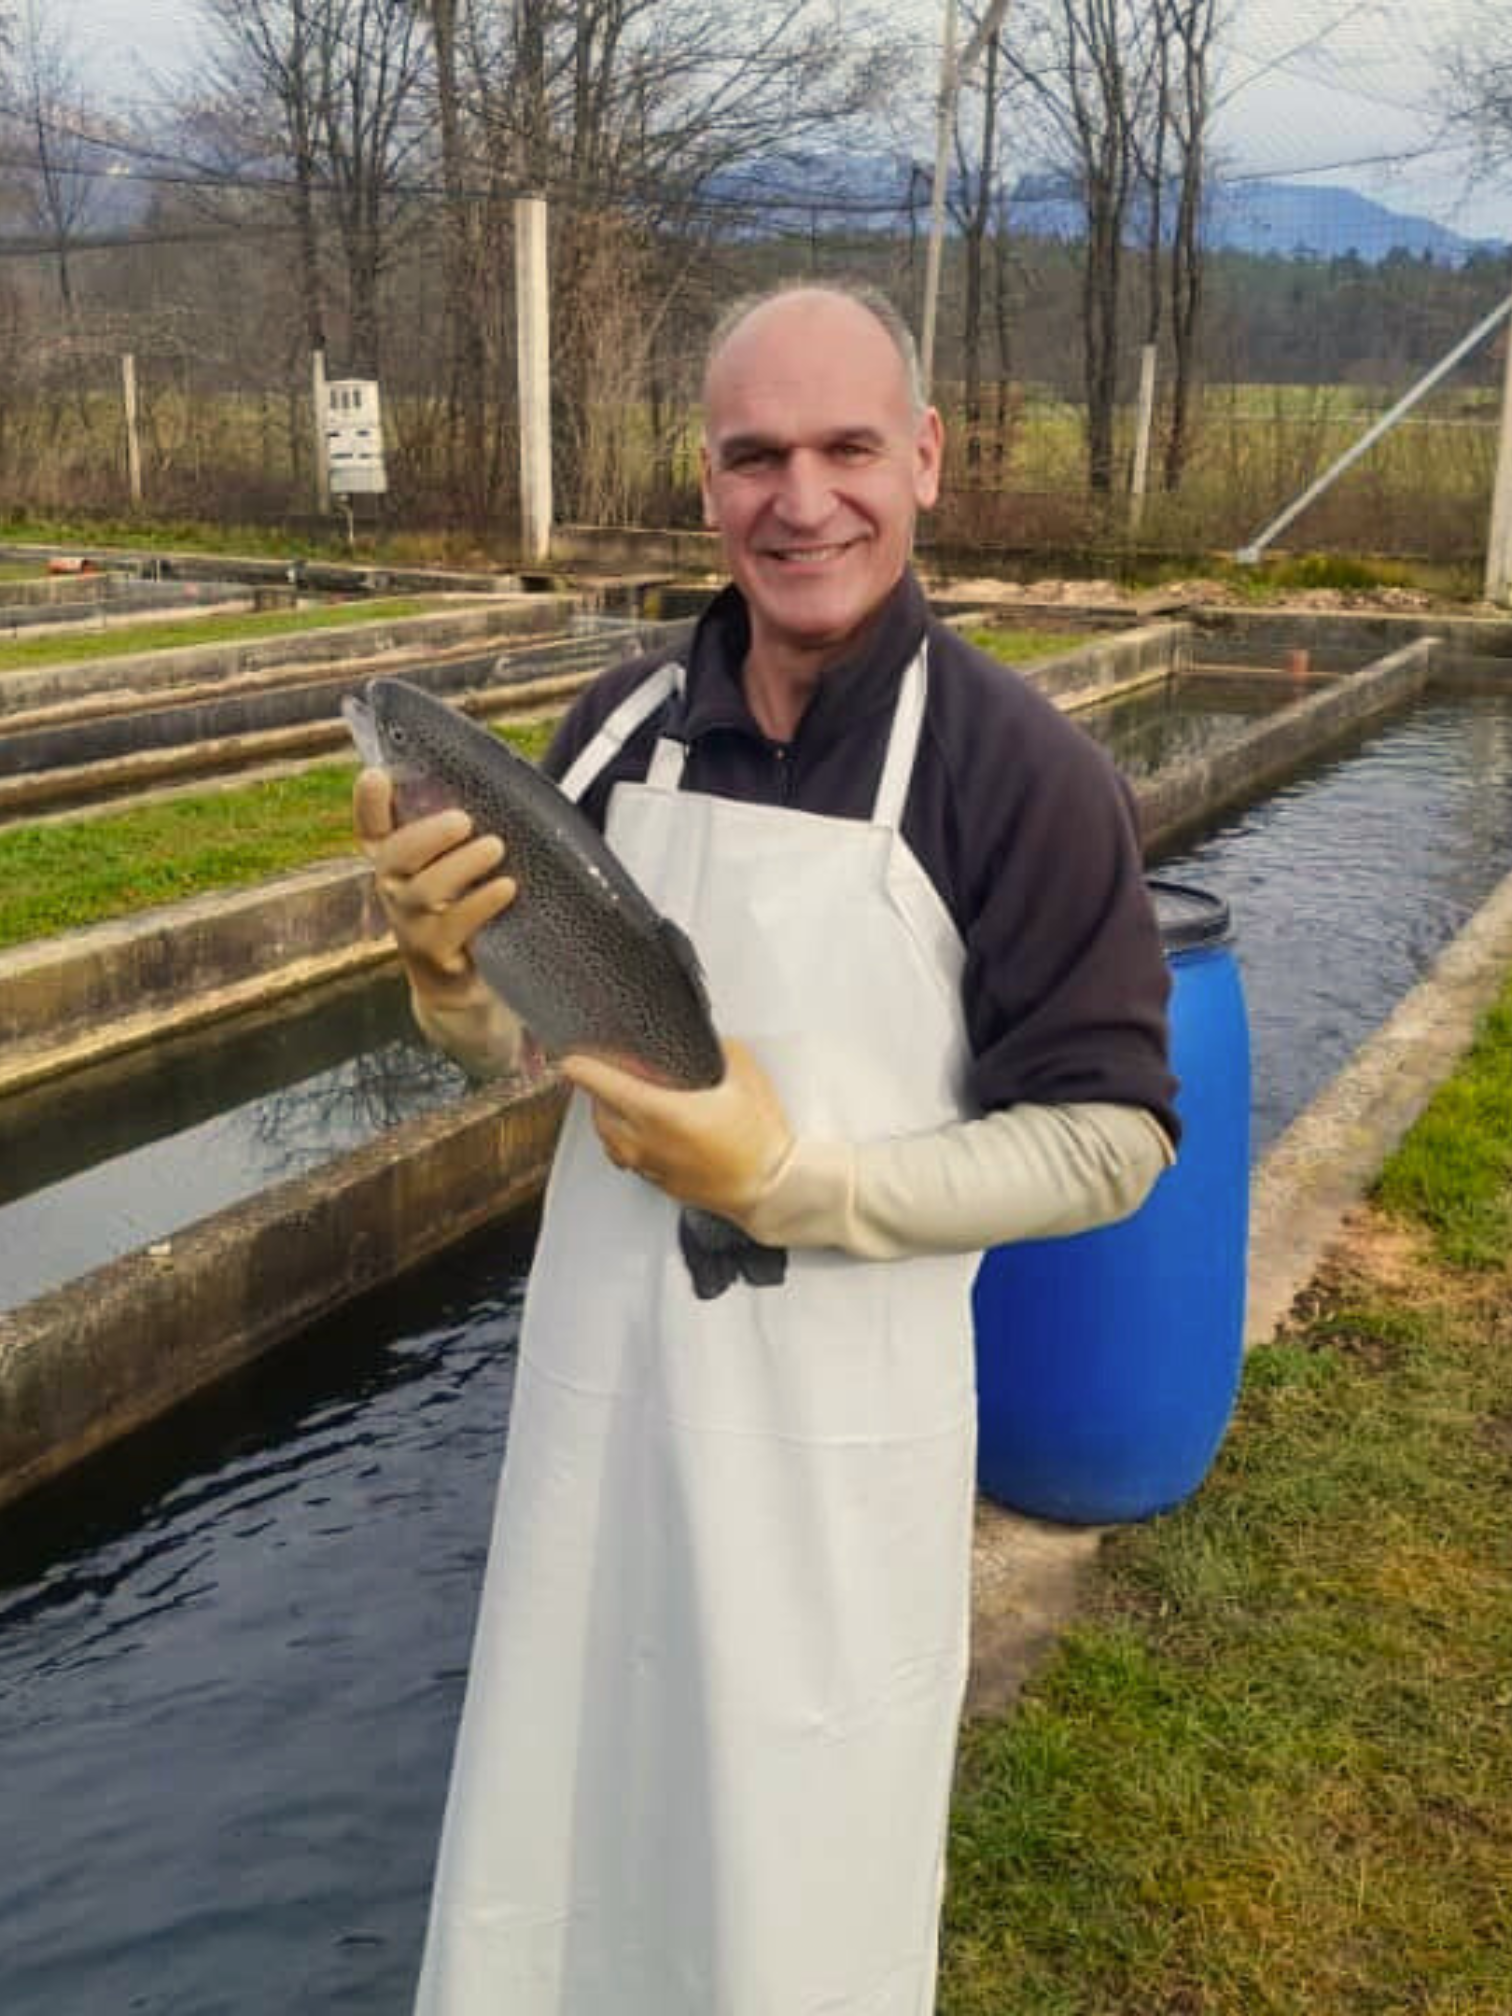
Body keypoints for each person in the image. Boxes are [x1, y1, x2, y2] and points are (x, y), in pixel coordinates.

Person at [354, 279, 1178, 2016]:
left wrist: (793, 1185)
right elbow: (516, 1036)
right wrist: (442, 984)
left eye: (847, 447)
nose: (803, 501)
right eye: (754, 457)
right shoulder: (616, 725)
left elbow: (1111, 1145)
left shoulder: (1023, 778)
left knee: (792, 1904)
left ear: (928, 459)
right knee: (561, 1858)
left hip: (834, 1460)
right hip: (602, 1423)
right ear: (708, 482)